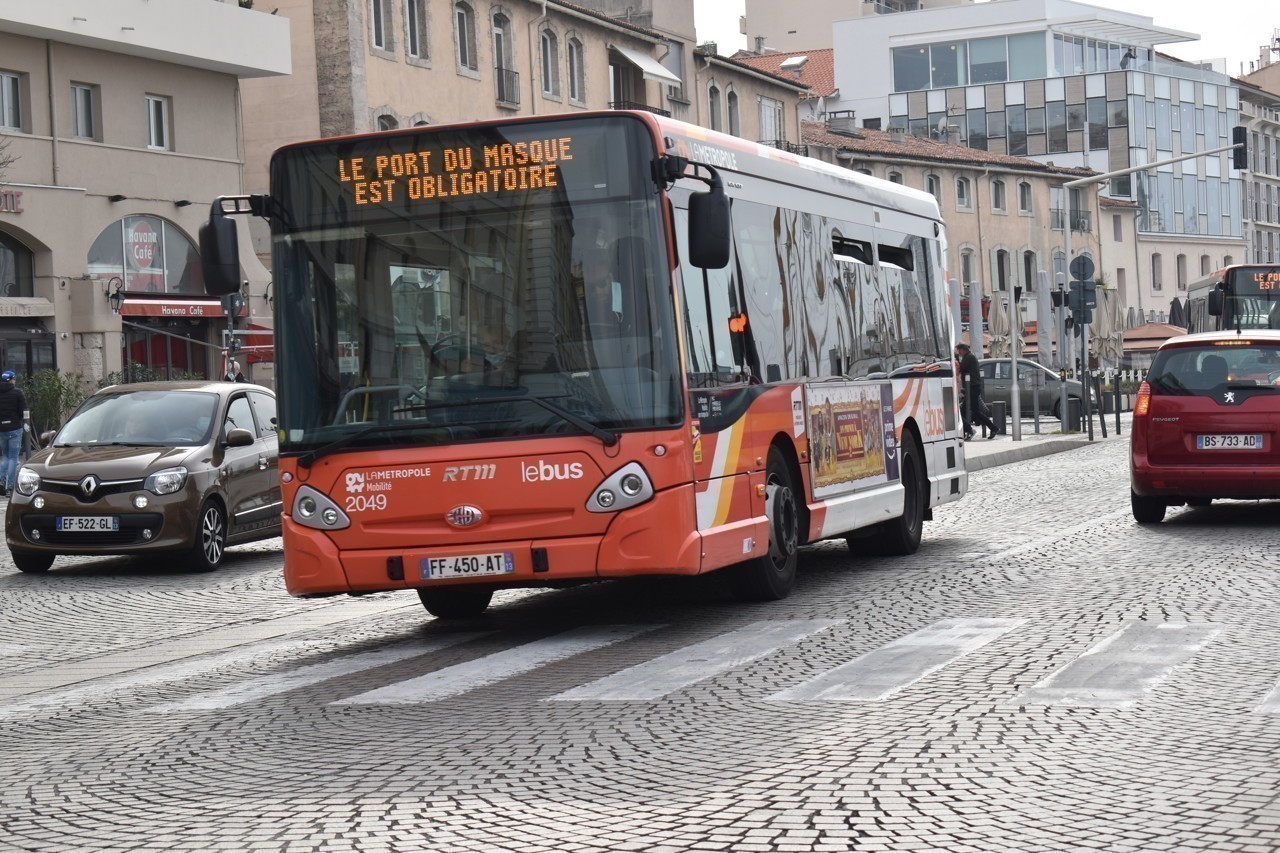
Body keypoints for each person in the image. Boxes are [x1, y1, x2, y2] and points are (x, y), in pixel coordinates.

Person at [954, 343, 999, 439]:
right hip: (972, 387)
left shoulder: (969, 357)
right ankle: (969, 430)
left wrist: (956, 358)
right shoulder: (969, 357)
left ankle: (991, 428)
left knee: (974, 411)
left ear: (962, 350)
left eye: (959, 351)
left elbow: (961, 368)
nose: (959, 353)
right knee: (964, 411)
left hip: (973, 387)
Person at [0, 369, 26, 497]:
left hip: (1, 430)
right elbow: (23, 411)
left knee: (4, 456)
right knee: (13, 457)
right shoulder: (17, 393)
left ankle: (1, 480)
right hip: (15, 428)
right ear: (11, 380)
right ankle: (10, 487)